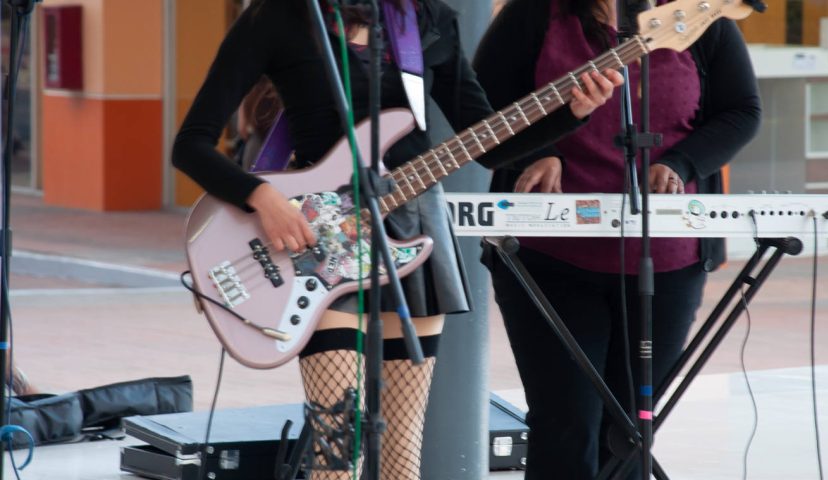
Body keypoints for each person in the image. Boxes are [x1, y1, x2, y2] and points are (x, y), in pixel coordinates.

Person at [171, 1, 622, 479]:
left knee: (401, 453)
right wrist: (262, 198)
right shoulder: (281, 16)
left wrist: (570, 114)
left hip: (413, 234)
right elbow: (191, 144)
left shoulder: (427, 19)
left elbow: (488, 144)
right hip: (320, 245)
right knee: (337, 450)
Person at [473, 0, 761, 478]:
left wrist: (681, 163)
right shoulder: (535, 13)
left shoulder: (697, 18)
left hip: (666, 257)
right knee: (564, 424)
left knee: (629, 433)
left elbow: (741, 110)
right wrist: (537, 154)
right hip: (547, 257)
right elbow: (484, 107)